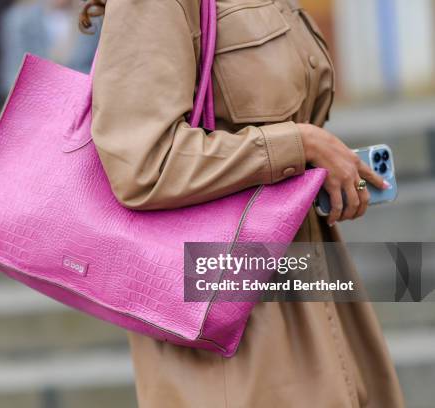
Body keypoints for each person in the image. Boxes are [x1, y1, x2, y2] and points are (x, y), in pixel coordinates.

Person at [80, 0, 405, 407]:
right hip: (225, 308)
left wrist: (320, 159)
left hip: (308, 278)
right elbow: (144, 162)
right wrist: (298, 144)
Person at [0, 0, 100, 95]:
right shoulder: (20, 19)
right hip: (36, 102)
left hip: (83, 99)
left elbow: (98, 70)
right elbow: (12, 74)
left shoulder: (93, 17)